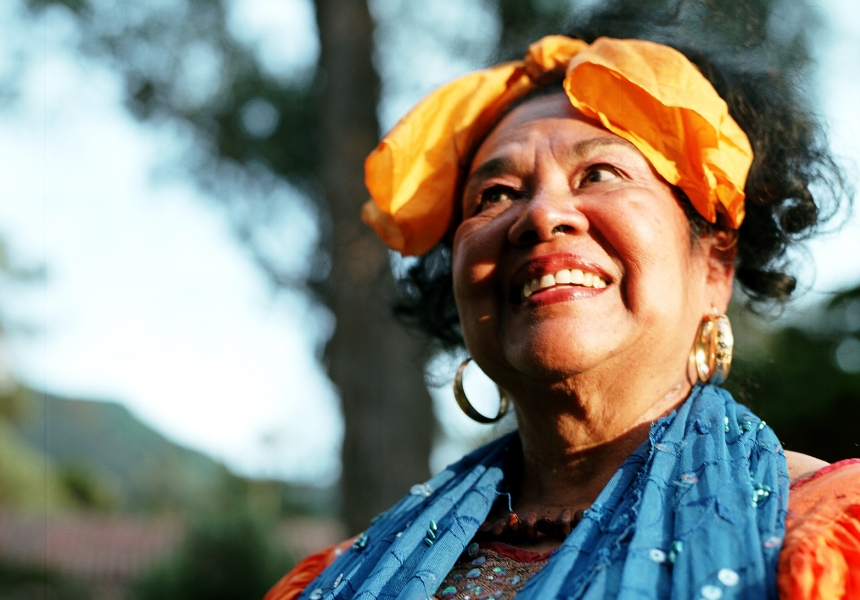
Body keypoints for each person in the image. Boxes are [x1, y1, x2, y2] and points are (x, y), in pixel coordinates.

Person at [267, 35, 860, 600]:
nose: (542, 215)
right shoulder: (338, 577)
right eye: (495, 194)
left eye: (600, 174)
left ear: (714, 268)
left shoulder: (831, 533)